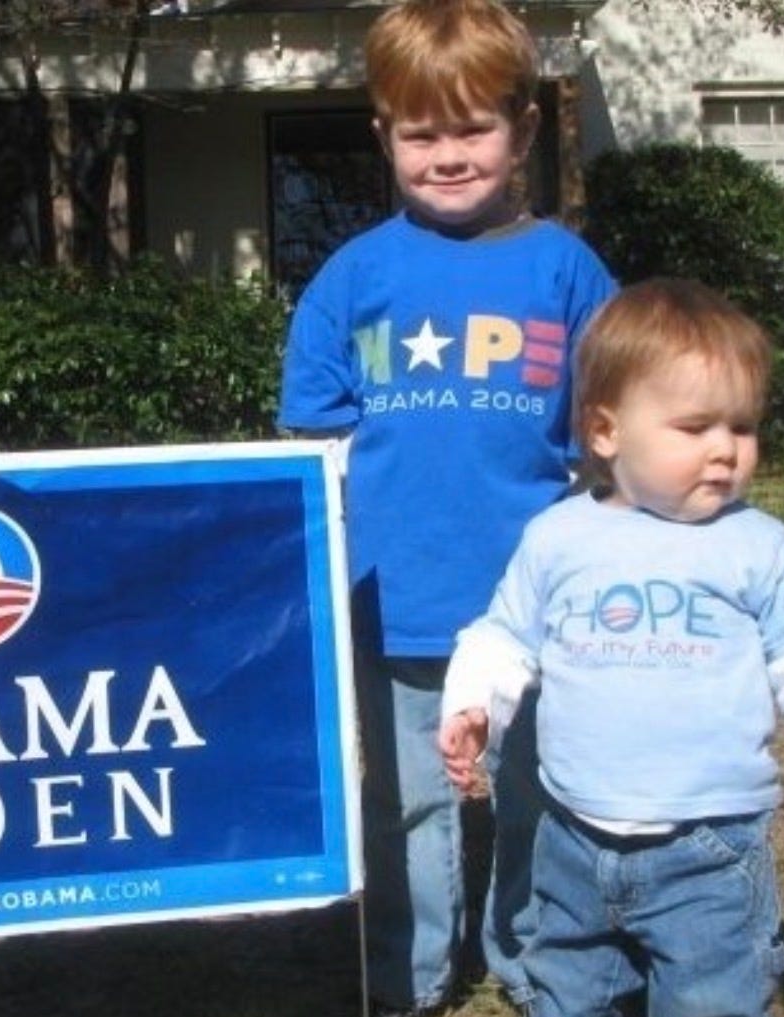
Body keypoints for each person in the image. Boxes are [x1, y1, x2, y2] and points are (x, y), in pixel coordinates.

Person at [276, 0, 617, 1012]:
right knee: (412, 807)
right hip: (393, 602)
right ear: (385, 137)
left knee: (538, 801)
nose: (450, 155)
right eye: (422, 135)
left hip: (534, 607)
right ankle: (411, 976)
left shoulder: (566, 268)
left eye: (473, 129)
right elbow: (315, 438)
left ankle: (532, 959)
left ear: (522, 127)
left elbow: (611, 426)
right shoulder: (352, 277)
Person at [439, 277, 784, 1017]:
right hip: (571, 835)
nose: (725, 452)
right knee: (569, 991)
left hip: (708, 848)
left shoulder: (755, 545)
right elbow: (504, 636)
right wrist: (476, 708)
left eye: (741, 427)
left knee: (710, 997)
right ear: (606, 431)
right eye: (695, 427)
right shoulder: (560, 536)